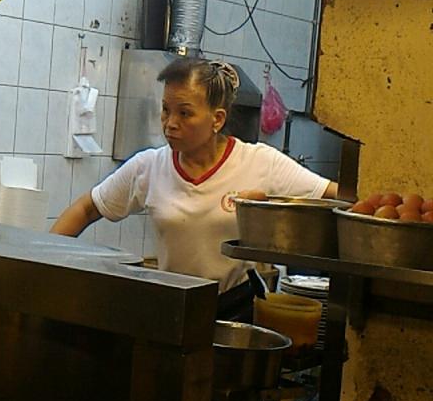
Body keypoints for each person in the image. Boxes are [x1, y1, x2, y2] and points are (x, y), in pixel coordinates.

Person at [51, 56, 337, 318]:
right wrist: (41, 259)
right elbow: (87, 208)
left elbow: (335, 195)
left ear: (217, 119)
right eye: (166, 110)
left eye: (185, 113)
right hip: (175, 306)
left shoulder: (259, 162)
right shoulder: (149, 166)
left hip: (236, 308)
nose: (170, 124)